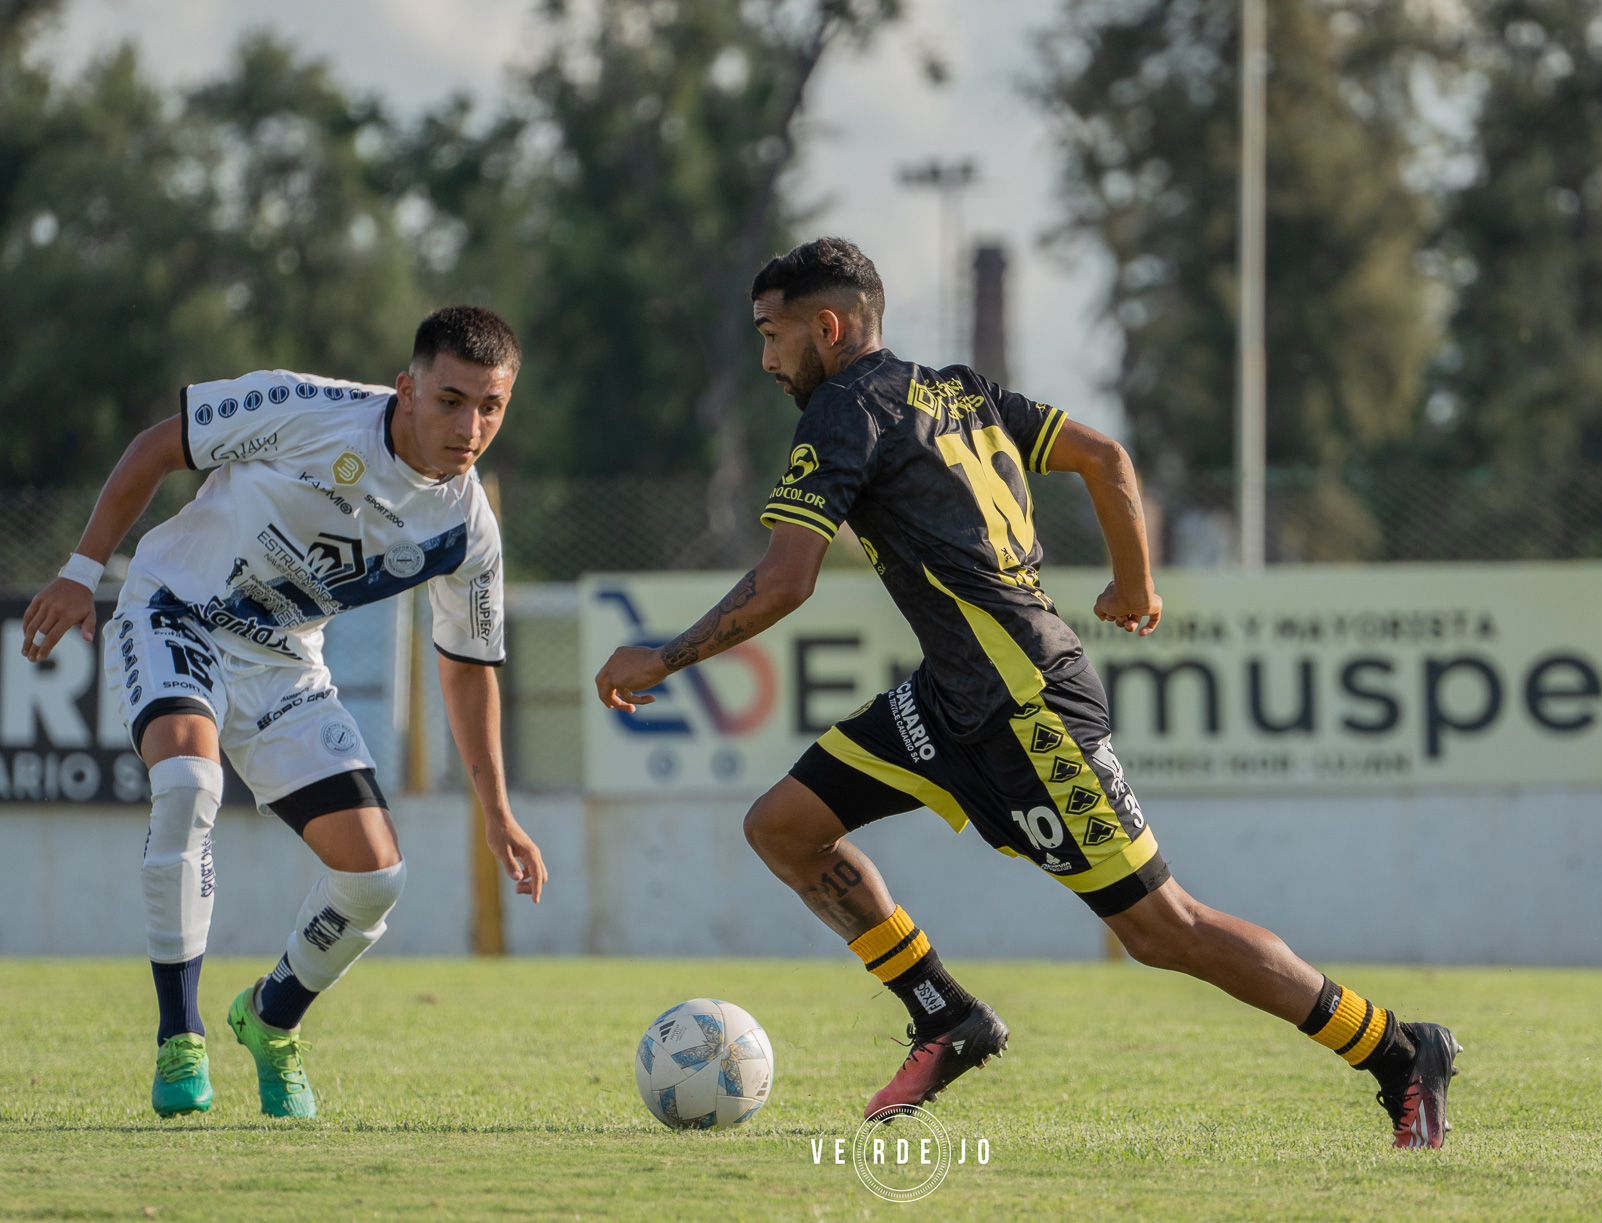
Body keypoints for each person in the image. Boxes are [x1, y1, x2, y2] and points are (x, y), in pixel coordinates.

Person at [593, 238, 1461, 1148]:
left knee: (1166, 929)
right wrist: (1136, 587)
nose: (769, 359)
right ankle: (945, 1014)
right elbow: (1105, 456)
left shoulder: (845, 408)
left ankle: (1401, 1051)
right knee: (784, 825)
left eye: (773, 336)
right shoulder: (964, 391)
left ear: (829, 326)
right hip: (950, 696)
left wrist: (665, 656)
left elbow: (785, 580)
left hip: (1029, 707)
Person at [19, 306, 548, 1119]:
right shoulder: (306, 407)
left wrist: (498, 811)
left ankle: (269, 1019)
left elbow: (470, 665)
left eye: (491, 407)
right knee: (189, 783)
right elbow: (161, 445)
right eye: (450, 400)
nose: (470, 426)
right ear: (407, 389)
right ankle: (179, 1036)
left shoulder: (466, 530)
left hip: (284, 662)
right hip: (176, 612)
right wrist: (80, 568)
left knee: (375, 877)